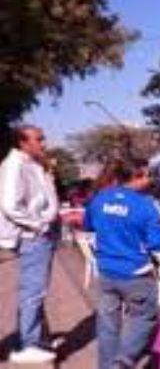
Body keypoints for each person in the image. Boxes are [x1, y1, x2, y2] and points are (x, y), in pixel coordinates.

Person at [83, 157, 160, 369]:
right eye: (147, 174)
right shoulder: (144, 206)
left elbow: (89, 224)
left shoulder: (100, 199)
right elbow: (159, 243)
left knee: (107, 325)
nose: (149, 179)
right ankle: (123, 361)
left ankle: (107, 366)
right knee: (145, 317)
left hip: (106, 272)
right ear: (137, 176)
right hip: (136, 273)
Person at [0, 125, 60, 364]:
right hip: (33, 236)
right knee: (33, 292)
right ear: (22, 142)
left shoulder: (31, 163)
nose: (43, 143)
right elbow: (10, 204)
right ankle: (29, 344)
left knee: (35, 290)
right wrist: (38, 226)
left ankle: (32, 338)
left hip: (39, 234)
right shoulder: (15, 165)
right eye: (39, 139)